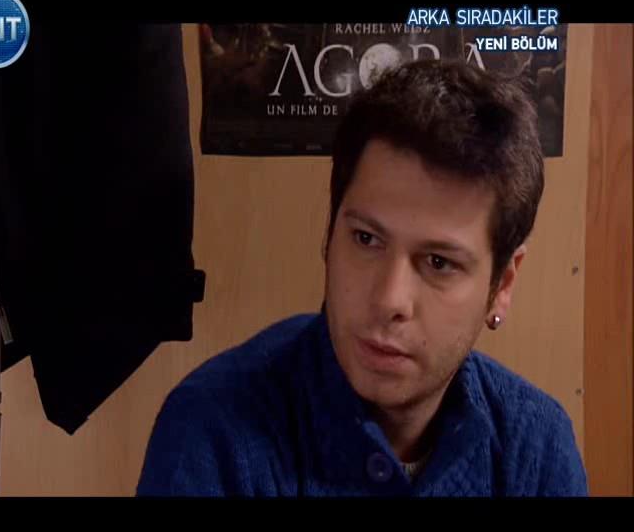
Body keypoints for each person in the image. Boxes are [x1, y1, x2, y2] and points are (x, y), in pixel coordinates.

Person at [136, 58, 588, 496]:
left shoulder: (537, 448)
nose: (389, 299)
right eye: (367, 239)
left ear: (501, 286)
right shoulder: (210, 431)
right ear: (329, 235)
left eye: (438, 263)